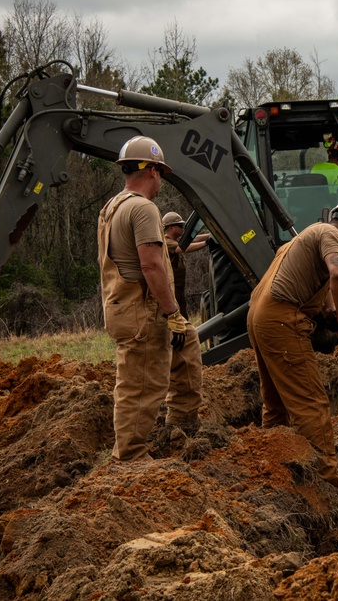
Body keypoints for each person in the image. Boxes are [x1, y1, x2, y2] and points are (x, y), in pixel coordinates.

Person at [246, 200, 338, 499]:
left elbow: (326, 299)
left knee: (275, 403)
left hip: (258, 316)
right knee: (312, 403)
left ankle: (273, 472)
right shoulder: (332, 235)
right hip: (281, 321)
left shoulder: (302, 239)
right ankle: (328, 481)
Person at [97, 137, 202, 462]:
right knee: (141, 384)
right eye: (161, 173)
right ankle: (130, 456)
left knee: (187, 344)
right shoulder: (142, 208)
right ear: (153, 171)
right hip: (142, 311)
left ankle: (181, 424)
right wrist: (172, 312)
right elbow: (151, 263)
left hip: (125, 306)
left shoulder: (113, 206)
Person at [160, 211, 211, 436]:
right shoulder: (167, 243)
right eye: (181, 225)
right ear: (172, 227)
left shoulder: (173, 240)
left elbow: (190, 241)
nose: (183, 228)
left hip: (177, 301)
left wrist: (211, 236)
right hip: (171, 305)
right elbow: (185, 248)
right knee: (181, 344)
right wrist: (209, 241)